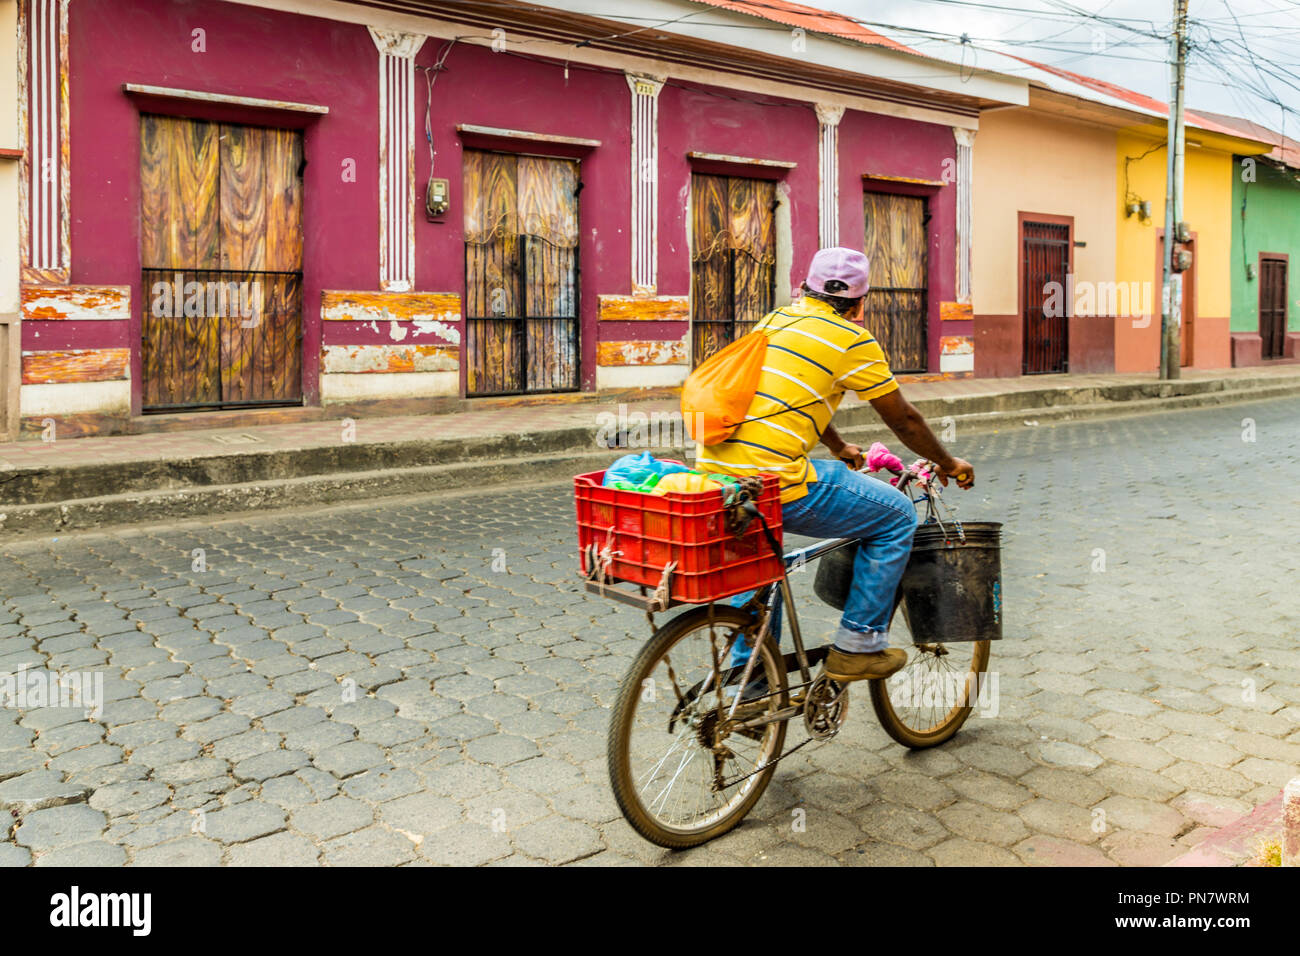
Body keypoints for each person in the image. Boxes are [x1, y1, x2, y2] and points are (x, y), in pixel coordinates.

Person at [699, 247, 974, 682]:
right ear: (861, 303)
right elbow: (903, 418)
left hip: (718, 475)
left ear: (804, 289)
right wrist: (948, 461)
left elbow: (794, 394)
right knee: (897, 515)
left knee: (753, 564)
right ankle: (858, 647)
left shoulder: (774, 321)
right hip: (775, 483)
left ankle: (746, 682)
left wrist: (839, 444)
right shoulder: (851, 340)